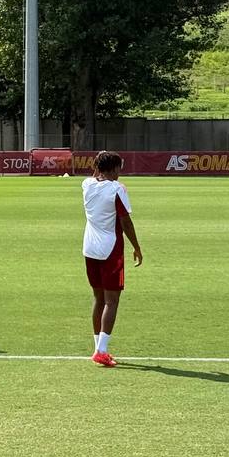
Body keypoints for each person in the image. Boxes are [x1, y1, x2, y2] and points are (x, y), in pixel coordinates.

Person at [82, 151, 144, 367]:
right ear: (114, 169)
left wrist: (100, 160)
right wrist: (137, 247)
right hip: (110, 248)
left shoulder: (87, 185)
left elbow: (94, 174)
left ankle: (97, 347)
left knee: (98, 298)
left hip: (89, 247)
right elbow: (125, 222)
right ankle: (102, 351)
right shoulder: (116, 189)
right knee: (112, 300)